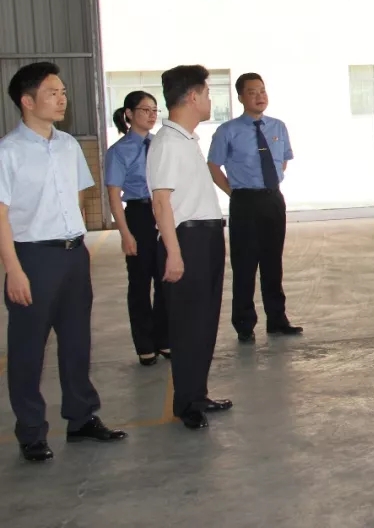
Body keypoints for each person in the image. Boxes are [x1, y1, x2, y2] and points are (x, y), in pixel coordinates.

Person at [0, 61, 126, 462]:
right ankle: (31, 431)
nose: (61, 100)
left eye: (63, 92)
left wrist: (77, 241)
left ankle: (81, 418)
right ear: (27, 101)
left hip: (73, 254)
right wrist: (14, 270)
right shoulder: (8, 152)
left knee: (76, 341)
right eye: (52, 93)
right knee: (28, 349)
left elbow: (78, 196)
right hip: (33, 257)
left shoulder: (69, 145)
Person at [147, 64, 233, 431]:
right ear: (193, 97)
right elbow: (161, 202)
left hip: (206, 237)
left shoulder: (186, 140)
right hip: (186, 240)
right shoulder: (167, 143)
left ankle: (197, 393)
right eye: (208, 93)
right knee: (187, 325)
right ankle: (185, 403)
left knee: (204, 322)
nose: (211, 100)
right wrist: (174, 253)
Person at [207, 73, 302, 342]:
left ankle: (277, 319)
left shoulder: (278, 127)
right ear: (240, 97)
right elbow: (213, 166)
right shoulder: (228, 131)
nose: (260, 96)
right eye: (252, 92)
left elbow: (283, 160)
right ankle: (244, 324)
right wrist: (234, 192)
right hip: (244, 202)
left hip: (273, 200)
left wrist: (269, 183)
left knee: (273, 262)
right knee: (245, 264)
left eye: (262, 91)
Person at [105, 90, 170, 366]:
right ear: (129, 114)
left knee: (166, 277)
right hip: (139, 214)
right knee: (141, 281)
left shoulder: (161, 145)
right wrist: (125, 234)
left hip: (163, 211)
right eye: (145, 110)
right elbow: (114, 196)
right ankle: (145, 344)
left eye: (155, 110)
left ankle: (164, 338)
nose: (152, 115)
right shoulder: (119, 151)